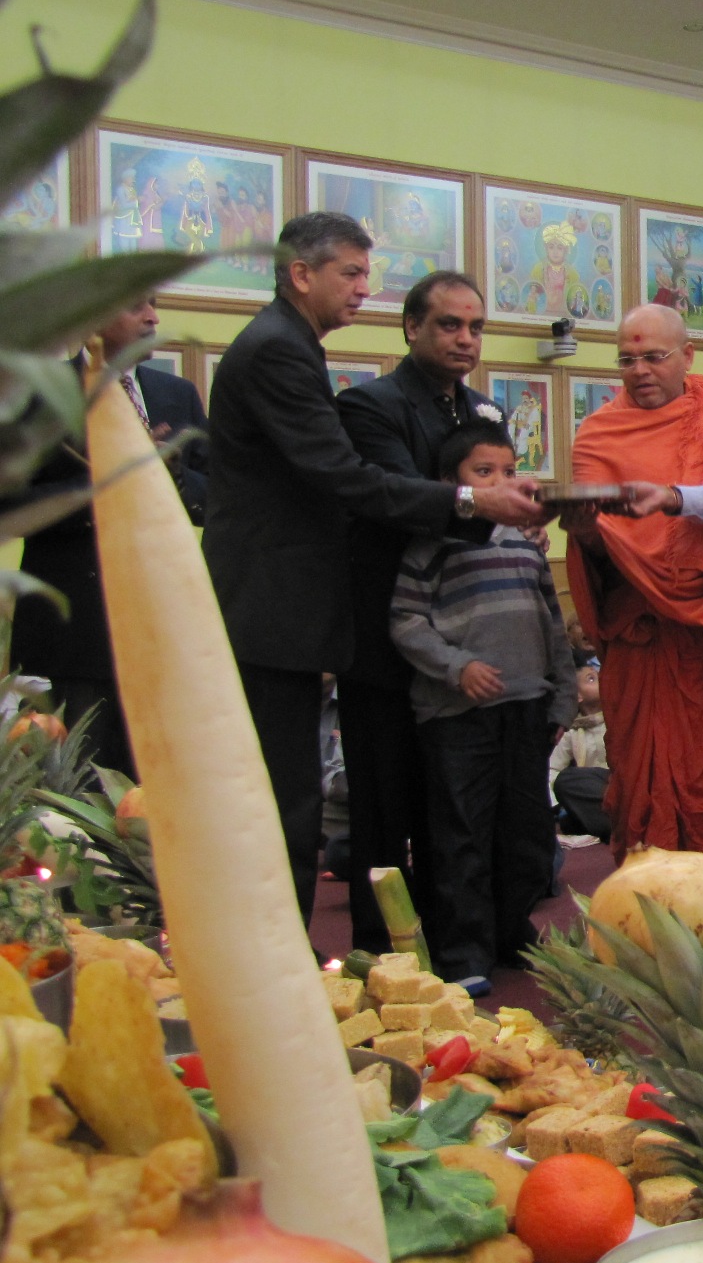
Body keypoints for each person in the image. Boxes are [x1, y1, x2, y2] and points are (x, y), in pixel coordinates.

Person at [203, 212, 544, 920]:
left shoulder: (290, 343)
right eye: (351, 274)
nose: (365, 289)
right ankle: (281, 966)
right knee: (285, 796)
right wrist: (470, 499)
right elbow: (345, 477)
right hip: (276, 602)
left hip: (291, 604)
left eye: (367, 273)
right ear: (302, 274)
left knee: (296, 790)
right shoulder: (279, 350)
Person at [562, 304, 703, 859]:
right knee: (639, 772)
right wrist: (586, 536)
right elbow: (598, 550)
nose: (641, 370)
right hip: (641, 631)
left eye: (655, 357)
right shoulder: (597, 435)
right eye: (628, 360)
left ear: (688, 357)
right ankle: (645, 910)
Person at [334, 270, 500, 954]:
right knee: (383, 804)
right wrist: (478, 500)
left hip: (463, 634)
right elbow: (399, 499)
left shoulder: (485, 412)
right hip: (384, 633)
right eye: (449, 325)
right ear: (411, 327)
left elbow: (482, 511)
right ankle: (379, 952)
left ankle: (455, 940)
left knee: (452, 801)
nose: (466, 340)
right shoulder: (369, 406)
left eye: (476, 327)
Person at [389, 422, 576, 993]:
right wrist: (457, 667)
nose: (503, 482)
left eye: (510, 470)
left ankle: (509, 932)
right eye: (484, 472)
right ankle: (462, 951)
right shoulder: (432, 545)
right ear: (452, 484)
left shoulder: (526, 544)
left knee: (525, 834)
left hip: (526, 709)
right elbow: (405, 620)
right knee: (461, 835)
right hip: (458, 717)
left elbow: (552, 623)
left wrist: (562, 693)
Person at [13, 296, 207, 776]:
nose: (153, 318)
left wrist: (174, 477)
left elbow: (218, 491)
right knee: (76, 796)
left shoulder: (176, 395)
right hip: (76, 631)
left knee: (156, 793)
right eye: (136, 306)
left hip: (161, 628)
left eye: (155, 305)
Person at [549, 664, 609, 844]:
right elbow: (552, 768)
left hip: (623, 786)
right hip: (595, 793)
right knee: (567, 781)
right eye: (591, 678)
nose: (600, 679)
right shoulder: (573, 730)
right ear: (578, 696)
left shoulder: (618, 715)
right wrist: (556, 806)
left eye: (599, 674)